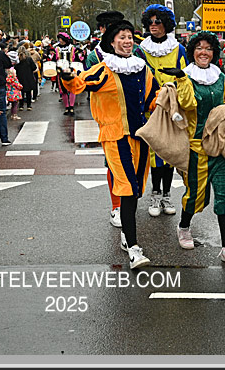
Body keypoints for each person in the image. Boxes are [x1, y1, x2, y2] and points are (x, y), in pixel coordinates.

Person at [59, 20, 159, 269]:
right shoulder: (104, 70)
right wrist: (67, 75)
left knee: (136, 190)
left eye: (130, 37)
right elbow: (79, 83)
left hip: (141, 137)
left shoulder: (142, 69)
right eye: (122, 37)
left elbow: (152, 98)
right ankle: (134, 248)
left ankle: (126, 234)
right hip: (116, 137)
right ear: (112, 42)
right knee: (127, 188)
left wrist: (168, 94)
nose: (127, 41)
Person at [159, 31, 225, 264]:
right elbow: (188, 104)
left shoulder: (220, 76)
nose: (203, 52)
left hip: (221, 146)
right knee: (196, 196)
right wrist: (181, 79)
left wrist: (224, 112)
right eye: (199, 48)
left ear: (214, 52)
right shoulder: (186, 76)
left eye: (208, 48)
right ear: (192, 51)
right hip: (197, 149)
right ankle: (184, 226)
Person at [134, 4, 189, 217]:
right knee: (155, 154)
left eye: (157, 21)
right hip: (150, 108)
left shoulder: (178, 49)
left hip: (173, 108)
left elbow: (186, 76)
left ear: (166, 24)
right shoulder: (140, 50)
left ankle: (167, 194)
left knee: (170, 152)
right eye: (150, 22)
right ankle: (155, 194)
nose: (153, 25)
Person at [16, 45, 39, 111]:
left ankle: (21, 105)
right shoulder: (28, 59)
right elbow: (34, 67)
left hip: (20, 77)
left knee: (21, 92)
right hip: (29, 77)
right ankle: (29, 105)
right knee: (28, 92)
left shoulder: (17, 60)